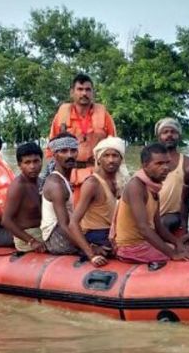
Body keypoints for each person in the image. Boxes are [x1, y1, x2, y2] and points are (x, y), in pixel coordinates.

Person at [113, 143, 189, 264]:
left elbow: (158, 226)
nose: (165, 168)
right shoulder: (136, 186)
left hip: (144, 244)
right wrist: (173, 254)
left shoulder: (153, 188)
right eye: (159, 164)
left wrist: (177, 242)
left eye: (167, 163)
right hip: (132, 248)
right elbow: (144, 228)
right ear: (145, 166)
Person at [47, 73, 117, 204]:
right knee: (71, 215)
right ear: (72, 92)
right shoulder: (61, 116)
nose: (84, 93)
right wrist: (57, 178)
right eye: (80, 89)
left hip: (98, 173)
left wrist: (114, 179)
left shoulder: (104, 115)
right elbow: (51, 150)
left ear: (92, 93)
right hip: (69, 173)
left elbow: (115, 147)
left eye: (88, 89)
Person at [41, 133, 107, 266]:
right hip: (56, 238)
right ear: (54, 155)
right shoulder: (56, 185)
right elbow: (64, 225)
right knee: (103, 243)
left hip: (63, 231)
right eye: (64, 151)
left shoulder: (63, 179)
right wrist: (91, 252)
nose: (70, 155)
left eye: (73, 150)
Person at [69, 136, 130, 253]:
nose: (111, 160)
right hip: (96, 235)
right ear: (98, 160)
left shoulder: (121, 182)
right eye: (106, 156)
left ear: (121, 159)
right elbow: (73, 223)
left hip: (113, 231)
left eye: (115, 155)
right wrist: (91, 252)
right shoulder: (92, 183)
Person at [153, 117, 189, 234]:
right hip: (153, 216)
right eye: (165, 132)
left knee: (166, 222)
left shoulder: (188, 162)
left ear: (179, 136)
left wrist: (186, 226)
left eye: (173, 132)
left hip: (175, 217)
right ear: (159, 137)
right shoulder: (151, 161)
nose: (169, 135)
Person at [1, 142, 45, 252]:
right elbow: (6, 220)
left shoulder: (41, 182)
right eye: (27, 162)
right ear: (19, 165)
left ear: (41, 162)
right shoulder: (18, 187)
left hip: (43, 231)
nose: (32, 166)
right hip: (27, 238)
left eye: (36, 161)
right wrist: (31, 241)